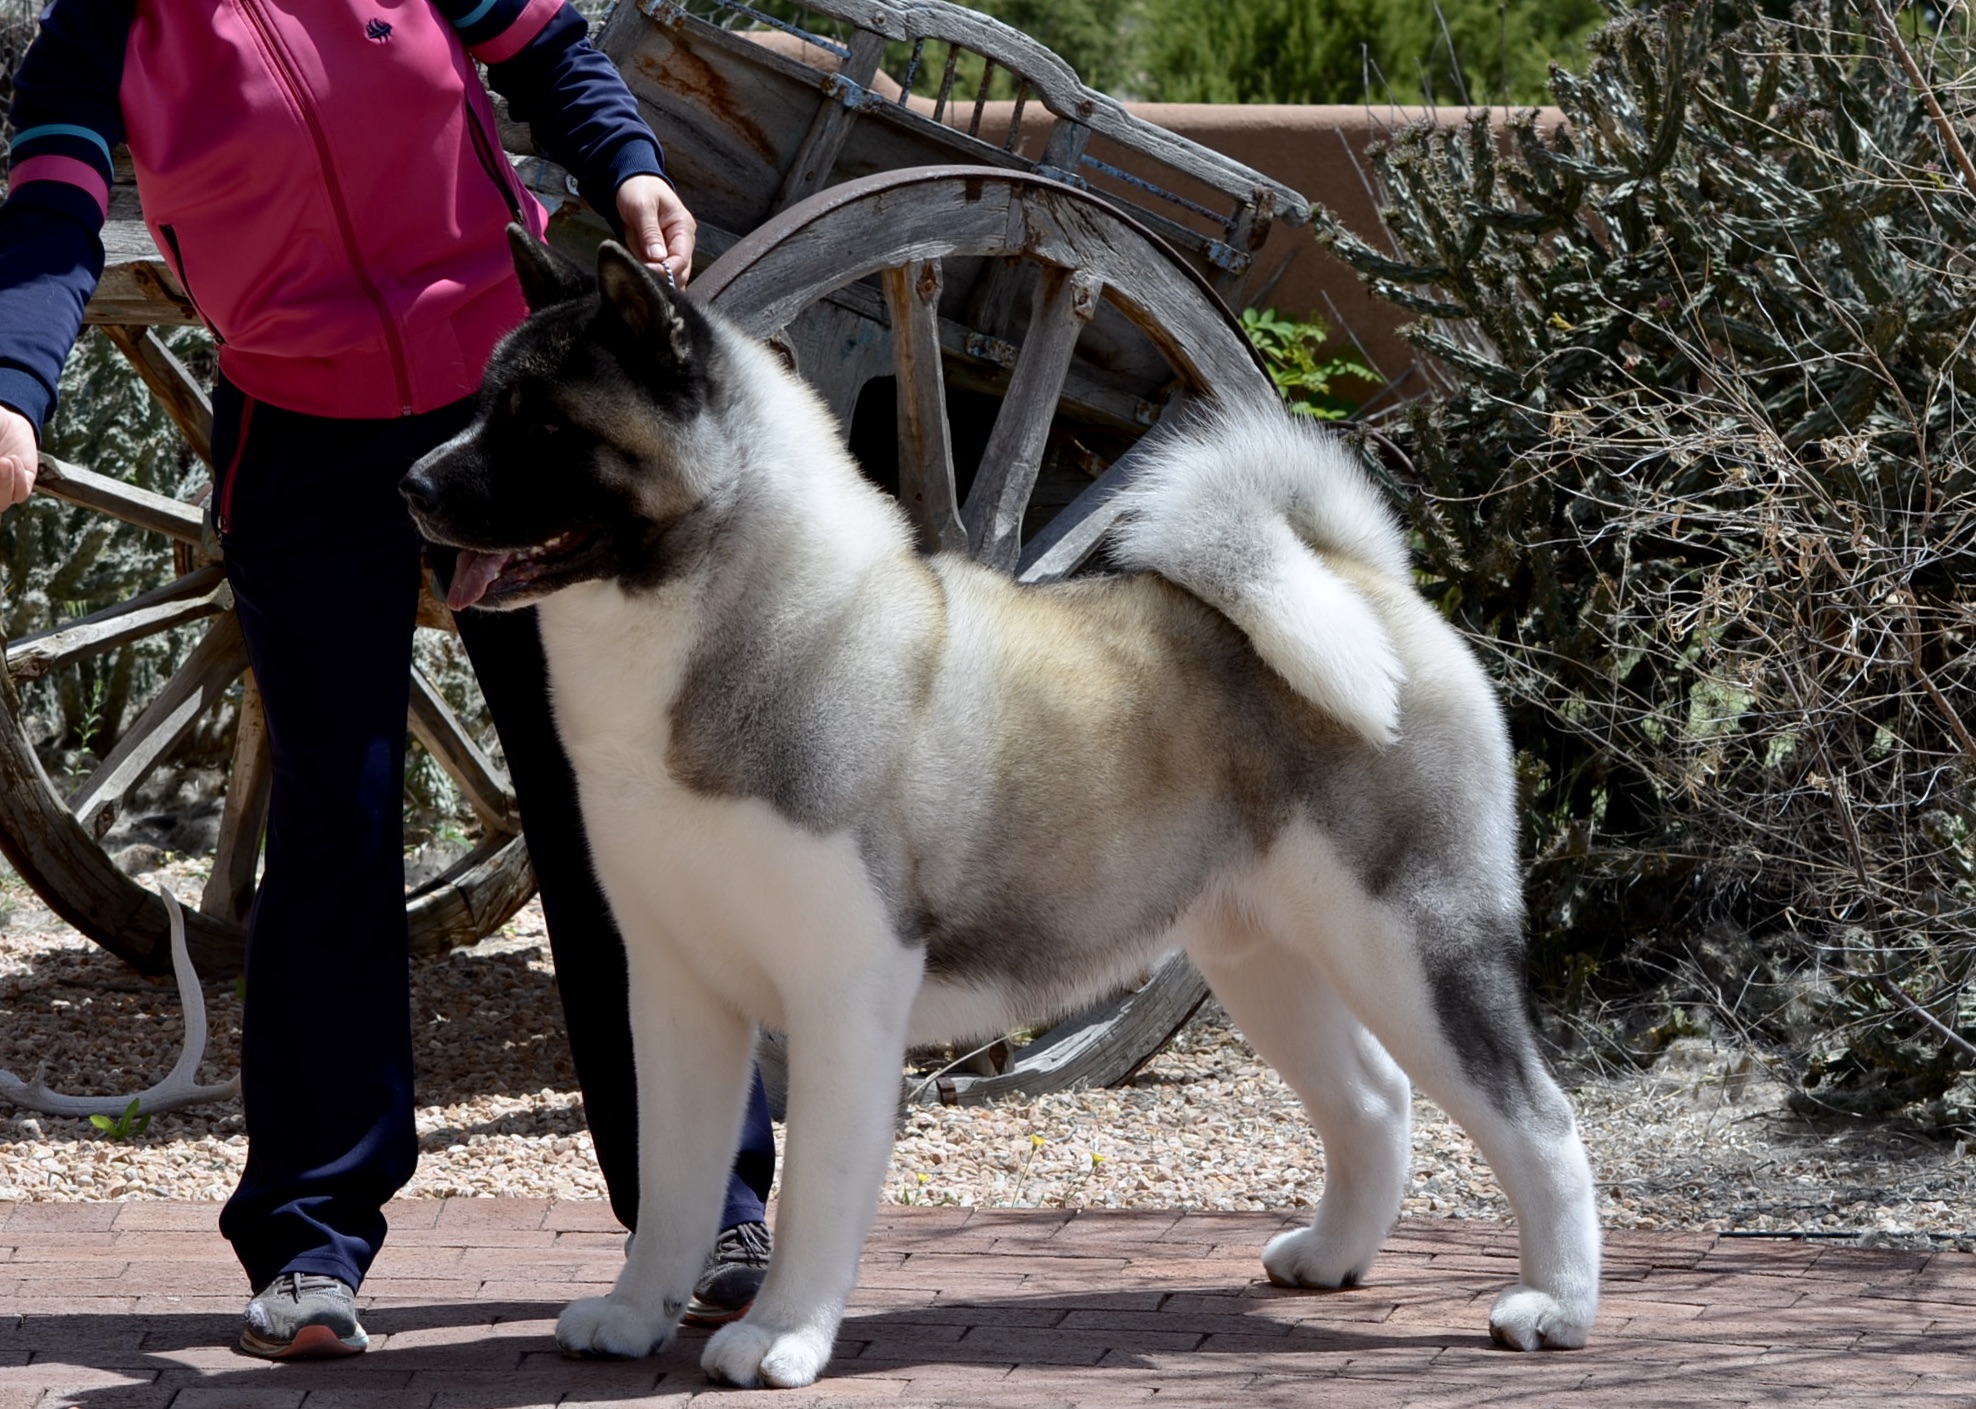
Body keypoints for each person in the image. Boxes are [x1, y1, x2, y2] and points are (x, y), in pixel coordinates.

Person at [0, 0, 776, 1359]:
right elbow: (52, 210)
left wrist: (630, 166)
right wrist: (11, 387)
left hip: (509, 415)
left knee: (611, 808)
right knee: (334, 828)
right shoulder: (105, 28)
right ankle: (309, 1241)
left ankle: (708, 1202)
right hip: (298, 444)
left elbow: (550, 50)